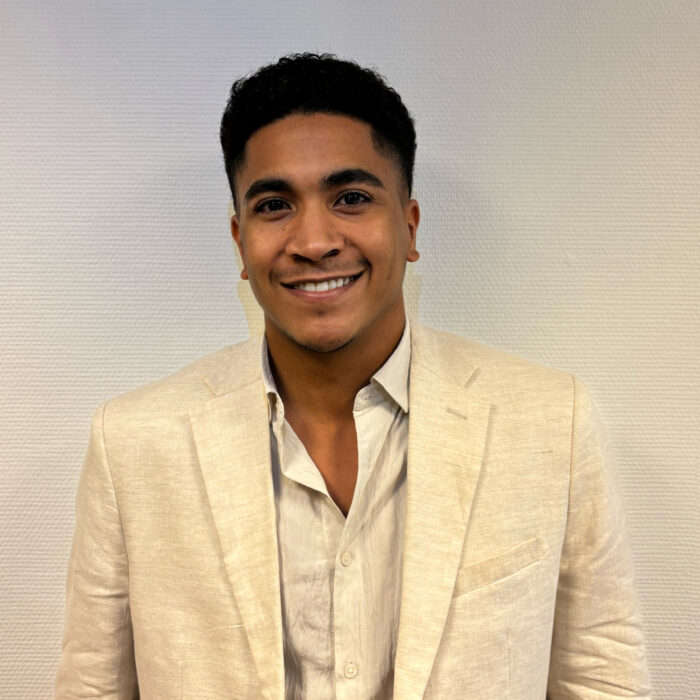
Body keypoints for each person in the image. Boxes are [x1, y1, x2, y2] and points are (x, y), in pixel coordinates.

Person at [56, 53, 650, 699]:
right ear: (239, 240)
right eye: (274, 205)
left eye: (352, 198)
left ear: (409, 226)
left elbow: (602, 677)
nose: (314, 241)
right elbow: (93, 687)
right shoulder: (135, 441)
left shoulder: (550, 420)